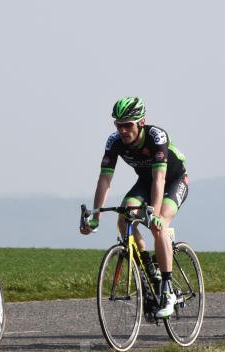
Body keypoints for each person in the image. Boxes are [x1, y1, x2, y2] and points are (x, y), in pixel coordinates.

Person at [81, 97, 189, 319]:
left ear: (141, 122)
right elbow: (105, 180)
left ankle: (167, 290)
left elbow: (159, 179)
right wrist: (95, 216)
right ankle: (151, 270)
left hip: (172, 181)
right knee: (123, 218)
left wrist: (155, 214)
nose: (122, 129)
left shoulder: (156, 136)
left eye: (127, 124)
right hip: (146, 183)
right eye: (118, 124)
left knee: (159, 226)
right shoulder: (114, 142)